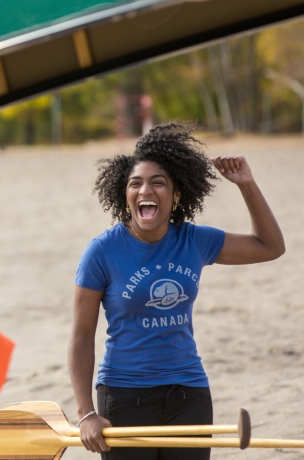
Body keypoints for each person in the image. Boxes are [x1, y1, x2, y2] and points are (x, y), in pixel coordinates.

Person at [68, 122, 285, 460]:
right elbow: (81, 336)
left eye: (158, 183)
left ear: (177, 194)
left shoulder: (194, 240)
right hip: (125, 395)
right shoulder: (102, 252)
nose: (145, 191)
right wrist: (85, 413)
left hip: (189, 393)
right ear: (125, 195)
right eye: (135, 184)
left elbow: (270, 246)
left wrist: (246, 184)